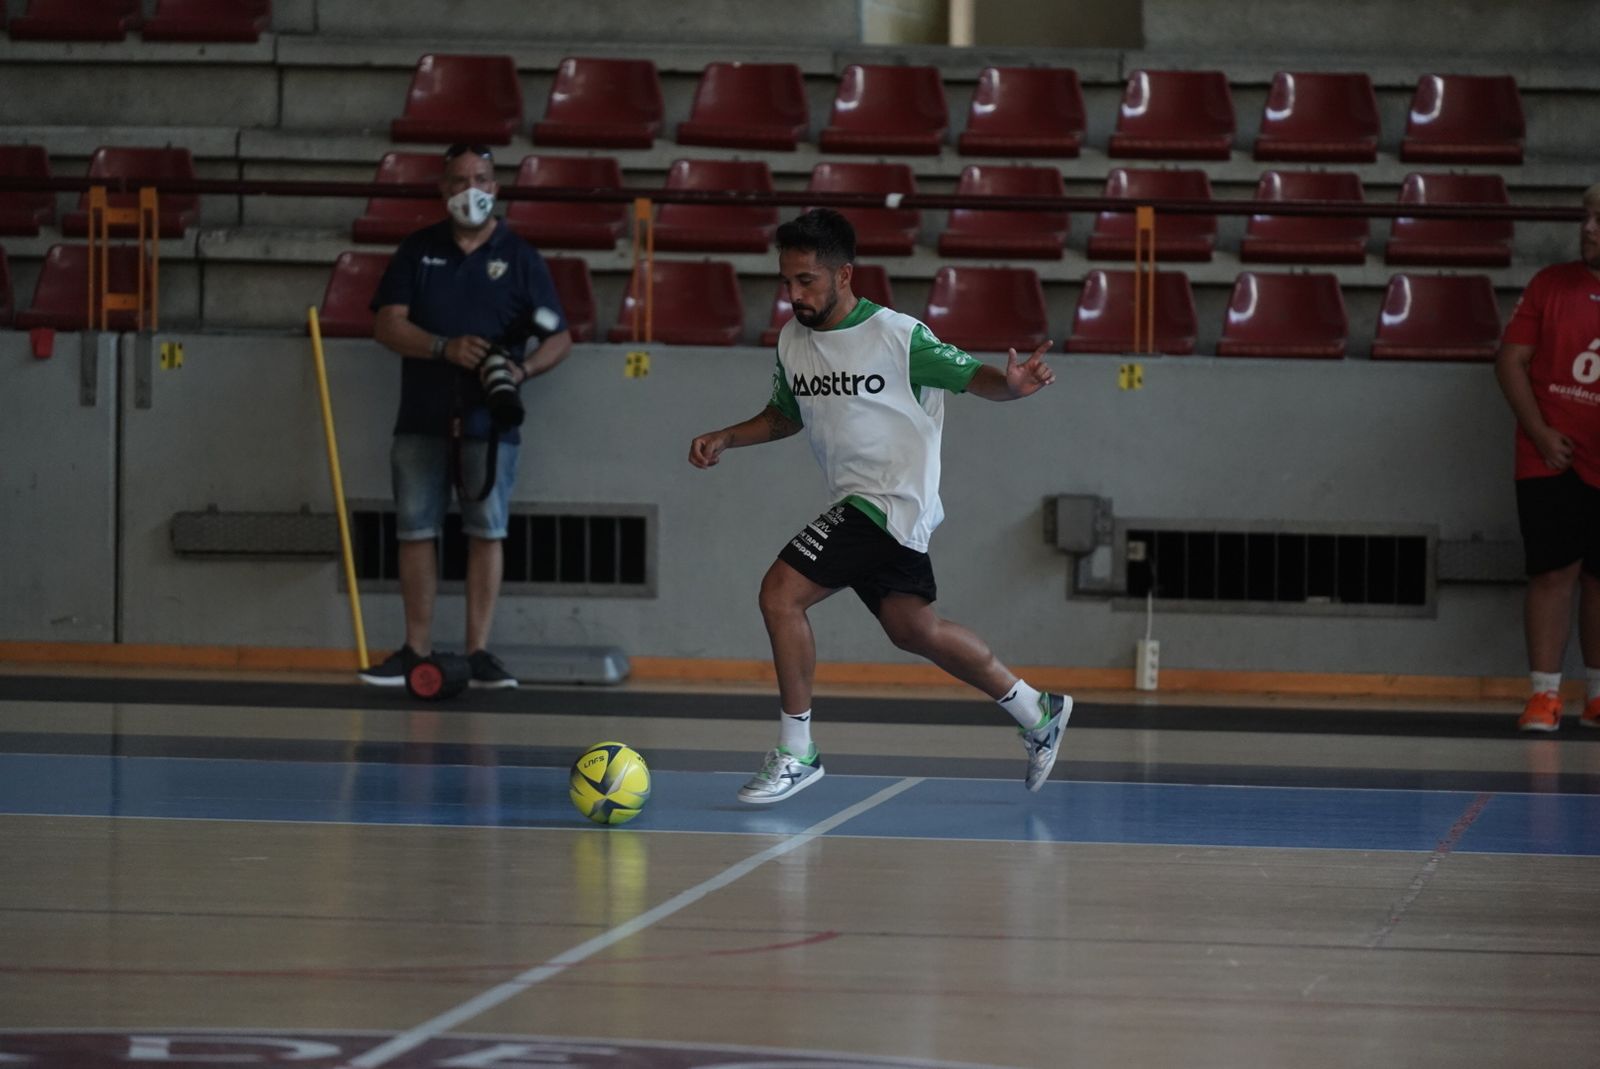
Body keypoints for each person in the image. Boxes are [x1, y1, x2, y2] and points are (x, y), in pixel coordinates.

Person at [687, 208, 1071, 803]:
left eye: (806, 280)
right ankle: (1037, 709)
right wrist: (728, 436)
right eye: (786, 281)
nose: (794, 294)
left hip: (889, 503)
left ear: (843, 276)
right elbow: (786, 415)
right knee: (913, 629)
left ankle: (797, 751)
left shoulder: (898, 336)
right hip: (857, 503)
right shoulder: (794, 342)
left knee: (779, 594)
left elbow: (973, 377)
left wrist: (1012, 385)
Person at [359, 142, 573, 690]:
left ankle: (479, 651)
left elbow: (560, 337)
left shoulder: (520, 256)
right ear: (442, 188)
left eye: (479, 178)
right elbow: (387, 324)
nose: (469, 190)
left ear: (495, 187)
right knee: (415, 530)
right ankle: (415, 649)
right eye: (458, 180)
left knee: (487, 531)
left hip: (492, 421)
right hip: (421, 415)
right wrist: (442, 348)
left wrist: (519, 372)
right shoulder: (417, 249)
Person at [1495, 181, 1600, 732]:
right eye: (1586, 216)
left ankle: (1598, 694)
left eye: (1599, 219)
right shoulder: (1550, 285)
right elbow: (1510, 362)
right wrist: (1539, 433)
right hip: (1550, 456)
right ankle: (1544, 695)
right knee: (1553, 571)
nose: (1588, 228)